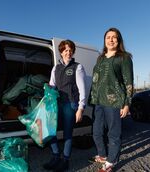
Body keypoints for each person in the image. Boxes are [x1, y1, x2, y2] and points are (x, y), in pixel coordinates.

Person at [89, 28, 134, 172]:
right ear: (104, 40)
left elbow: (129, 82)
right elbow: (96, 80)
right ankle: (102, 155)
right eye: (108, 37)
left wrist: (127, 103)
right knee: (96, 132)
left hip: (115, 101)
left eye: (114, 37)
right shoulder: (100, 58)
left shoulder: (124, 57)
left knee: (113, 134)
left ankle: (110, 162)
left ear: (119, 40)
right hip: (99, 101)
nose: (111, 39)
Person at [43, 40, 86, 171]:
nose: (68, 52)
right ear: (61, 52)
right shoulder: (56, 68)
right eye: (65, 50)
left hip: (71, 104)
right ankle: (56, 156)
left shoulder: (77, 67)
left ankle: (65, 160)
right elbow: (52, 85)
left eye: (70, 50)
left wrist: (80, 108)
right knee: (50, 130)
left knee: (68, 133)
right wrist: (47, 95)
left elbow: (82, 89)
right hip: (57, 104)